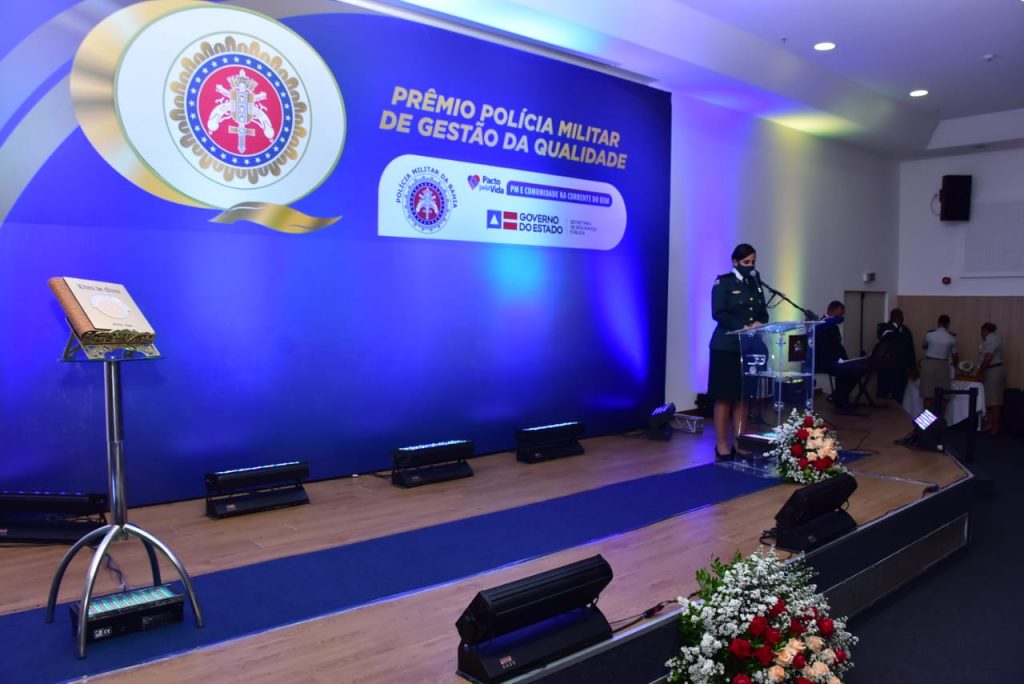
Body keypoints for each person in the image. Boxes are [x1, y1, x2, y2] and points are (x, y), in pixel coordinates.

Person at [708, 243, 768, 459]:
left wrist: (760, 322)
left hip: (748, 346)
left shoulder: (755, 283)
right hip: (726, 346)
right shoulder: (723, 282)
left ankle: (740, 443)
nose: (750, 266)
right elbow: (718, 313)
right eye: (746, 262)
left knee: (743, 397)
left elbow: (762, 311)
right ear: (735, 261)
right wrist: (741, 326)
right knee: (724, 397)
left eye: (753, 262)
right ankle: (721, 445)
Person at [813, 301, 867, 411]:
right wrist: (839, 360)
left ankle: (839, 397)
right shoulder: (822, 325)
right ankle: (841, 401)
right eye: (840, 313)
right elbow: (825, 347)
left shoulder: (832, 325)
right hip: (825, 361)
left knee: (856, 370)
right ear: (832, 311)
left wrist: (845, 359)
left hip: (834, 359)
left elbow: (837, 345)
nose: (841, 316)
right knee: (847, 371)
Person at [873, 308, 917, 402]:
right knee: (883, 393)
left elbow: (910, 350)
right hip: (886, 367)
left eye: (901, 316)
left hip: (901, 368)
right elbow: (881, 339)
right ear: (892, 317)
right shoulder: (885, 329)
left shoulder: (906, 331)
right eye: (898, 316)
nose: (900, 318)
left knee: (898, 395)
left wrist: (913, 367)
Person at [920, 315, 958, 411]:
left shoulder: (929, 335)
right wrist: (955, 367)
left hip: (929, 363)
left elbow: (924, 346)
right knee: (943, 396)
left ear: (938, 323)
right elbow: (955, 356)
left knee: (928, 396)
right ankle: (939, 419)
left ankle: (926, 420)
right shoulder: (951, 338)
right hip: (943, 365)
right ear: (948, 324)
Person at [976, 322, 1005, 435]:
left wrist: (980, 372)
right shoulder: (989, 340)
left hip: (993, 370)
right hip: (989, 370)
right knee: (989, 399)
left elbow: (988, 358)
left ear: (984, 330)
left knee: (994, 401)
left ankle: (995, 428)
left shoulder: (992, 340)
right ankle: (990, 425)